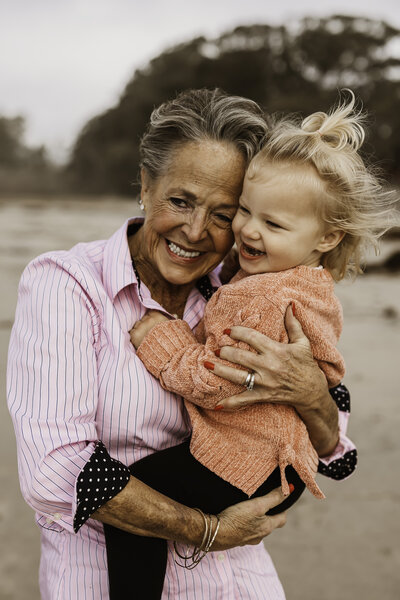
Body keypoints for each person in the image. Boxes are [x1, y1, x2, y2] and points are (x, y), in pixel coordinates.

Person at [7, 89, 357, 600]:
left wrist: (310, 393)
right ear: (145, 184)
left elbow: (336, 456)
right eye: (180, 200)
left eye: (223, 213)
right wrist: (207, 531)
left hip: (241, 584)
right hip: (104, 582)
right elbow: (55, 470)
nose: (196, 232)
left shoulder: (241, 287)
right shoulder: (68, 286)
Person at [103, 91, 397, 597]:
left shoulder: (258, 298)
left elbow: (216, 383)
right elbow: (331, 382)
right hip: (281, 468)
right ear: (146, 186)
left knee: (134, 500)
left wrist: (163, 341)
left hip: (244, 465)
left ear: (327, 237)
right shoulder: (308, 283)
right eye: (244, 212)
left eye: (273, 224)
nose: (246, 231)